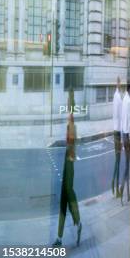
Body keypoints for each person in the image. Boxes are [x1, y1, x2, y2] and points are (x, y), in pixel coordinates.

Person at [54, 89, 82, 247]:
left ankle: (77, 222)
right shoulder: (70, 124)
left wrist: (70, 158)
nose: (66, 106)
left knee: (67, 197)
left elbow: (71, 148)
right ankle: (60, 237)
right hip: (67, 162)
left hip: (68, 164)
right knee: (63, 202)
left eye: (68, 104)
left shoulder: (71, 124)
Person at [119, 82, 130, 204]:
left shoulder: (125, 99)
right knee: (128, 165)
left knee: (128, 165)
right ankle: (123, 190)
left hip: (124, 134)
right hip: (127, 135)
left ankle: (127, 194)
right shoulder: (128, 101)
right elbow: (128, 119)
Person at [112, 77, 123, 197]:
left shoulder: (115, 96)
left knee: (117, 160)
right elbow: (121, 116)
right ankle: (116, 188)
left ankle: (114, 186)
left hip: (115, 130)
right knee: (118, 161)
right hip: (119, 132)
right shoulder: (119, 98)